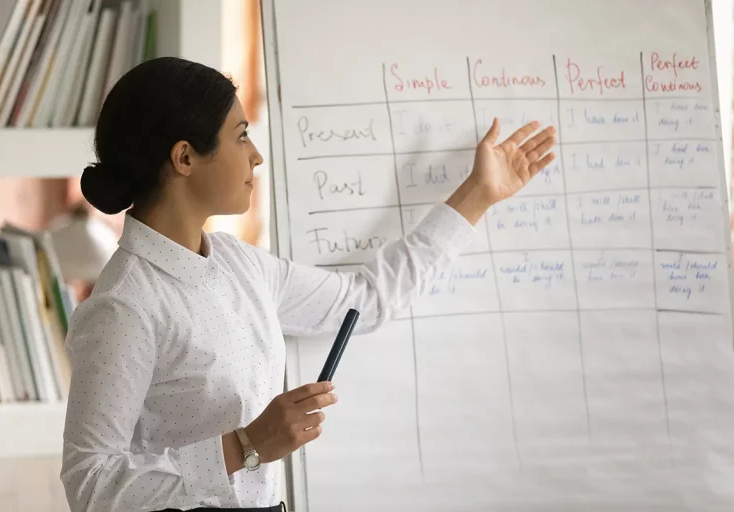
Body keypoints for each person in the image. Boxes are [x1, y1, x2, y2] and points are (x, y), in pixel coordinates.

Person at [60, 56, 556, 512]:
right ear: (185, 158)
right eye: (240, 135)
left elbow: (365, 301)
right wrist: (244, 446)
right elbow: (89, 483)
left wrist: (478, 195)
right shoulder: (124, 306)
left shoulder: (239, 264)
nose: (255, 155)